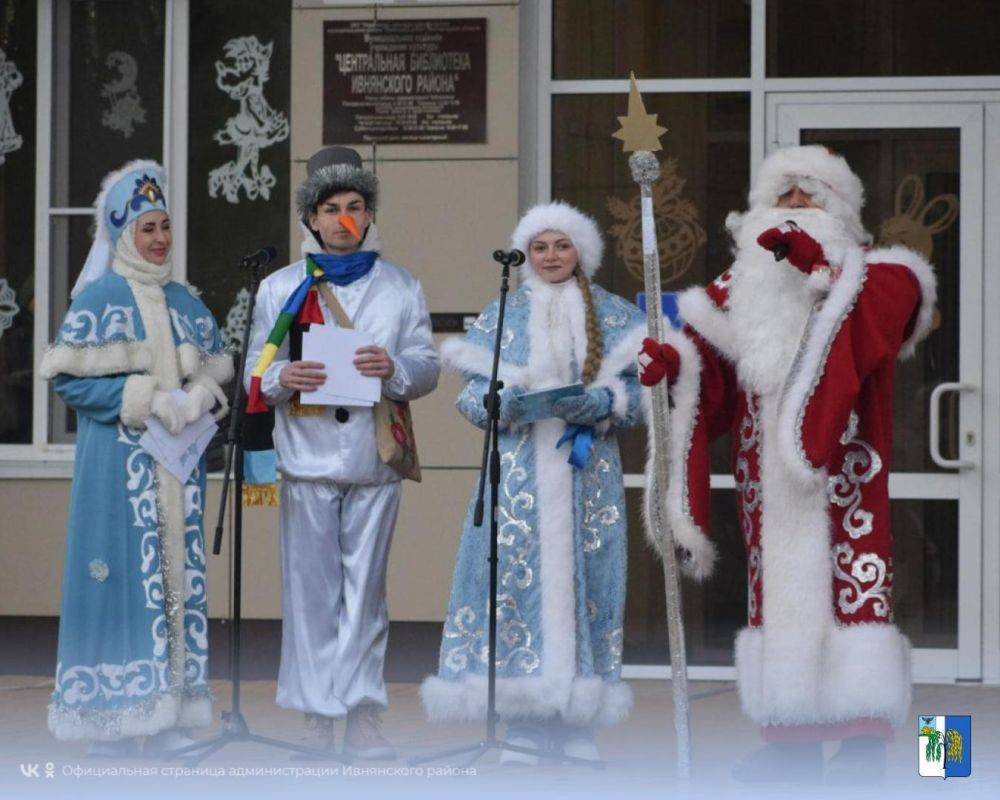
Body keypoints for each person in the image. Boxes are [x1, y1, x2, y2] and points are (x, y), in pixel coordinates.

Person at [639, 145, 936, 782]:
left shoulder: (880, 273)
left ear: (843, 210)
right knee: (776, 604)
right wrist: (673, 371)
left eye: (811, 193)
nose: (797, 205)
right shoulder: (737, 290)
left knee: (854, 601)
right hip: (766, 491)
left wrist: (821, 271)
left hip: (842, 483)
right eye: (785, 194)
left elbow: (891, 309)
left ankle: (862, 748)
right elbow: (709, 383)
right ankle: (792, 745)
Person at [421, 202, 646, 764]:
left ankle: (576, 722)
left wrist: (604, 401)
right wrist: (497, 402)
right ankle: (521, 718)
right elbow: (468, 395)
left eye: (562, 246)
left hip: (586, 480)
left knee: (588, 587)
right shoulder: (503, 313)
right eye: (540, 247)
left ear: (582, 252)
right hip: (517, 477)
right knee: (514, 587)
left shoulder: (616, 316)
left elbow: (644, 397)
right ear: (526, 253)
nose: (550, 257)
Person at [244, 146, 439, 758]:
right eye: (332, 209)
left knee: (366, 594)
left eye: (356, 207)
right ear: (312, 219)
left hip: (372, 459)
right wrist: (284, 378)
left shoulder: (401, 285)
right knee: (310, 593)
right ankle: (316, 712)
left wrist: (396, 368)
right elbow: (256, 371)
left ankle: (359, 711)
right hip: (305, 459)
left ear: (369, 214)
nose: (344, 219)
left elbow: (428, 365)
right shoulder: (280, 287)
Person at [40, 160, 232, 757]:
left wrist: (202, 394)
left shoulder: (187, 302)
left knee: (177, 584)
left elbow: (215, 373)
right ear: (123, 234)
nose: (159, 239)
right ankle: (110, 720)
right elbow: (69, 382)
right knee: (118, 581)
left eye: (165, 226)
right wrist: (143, 397)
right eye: (147, 229)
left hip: (178, 471)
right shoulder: (98, 297)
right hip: (118, 472)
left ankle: (168, 714)